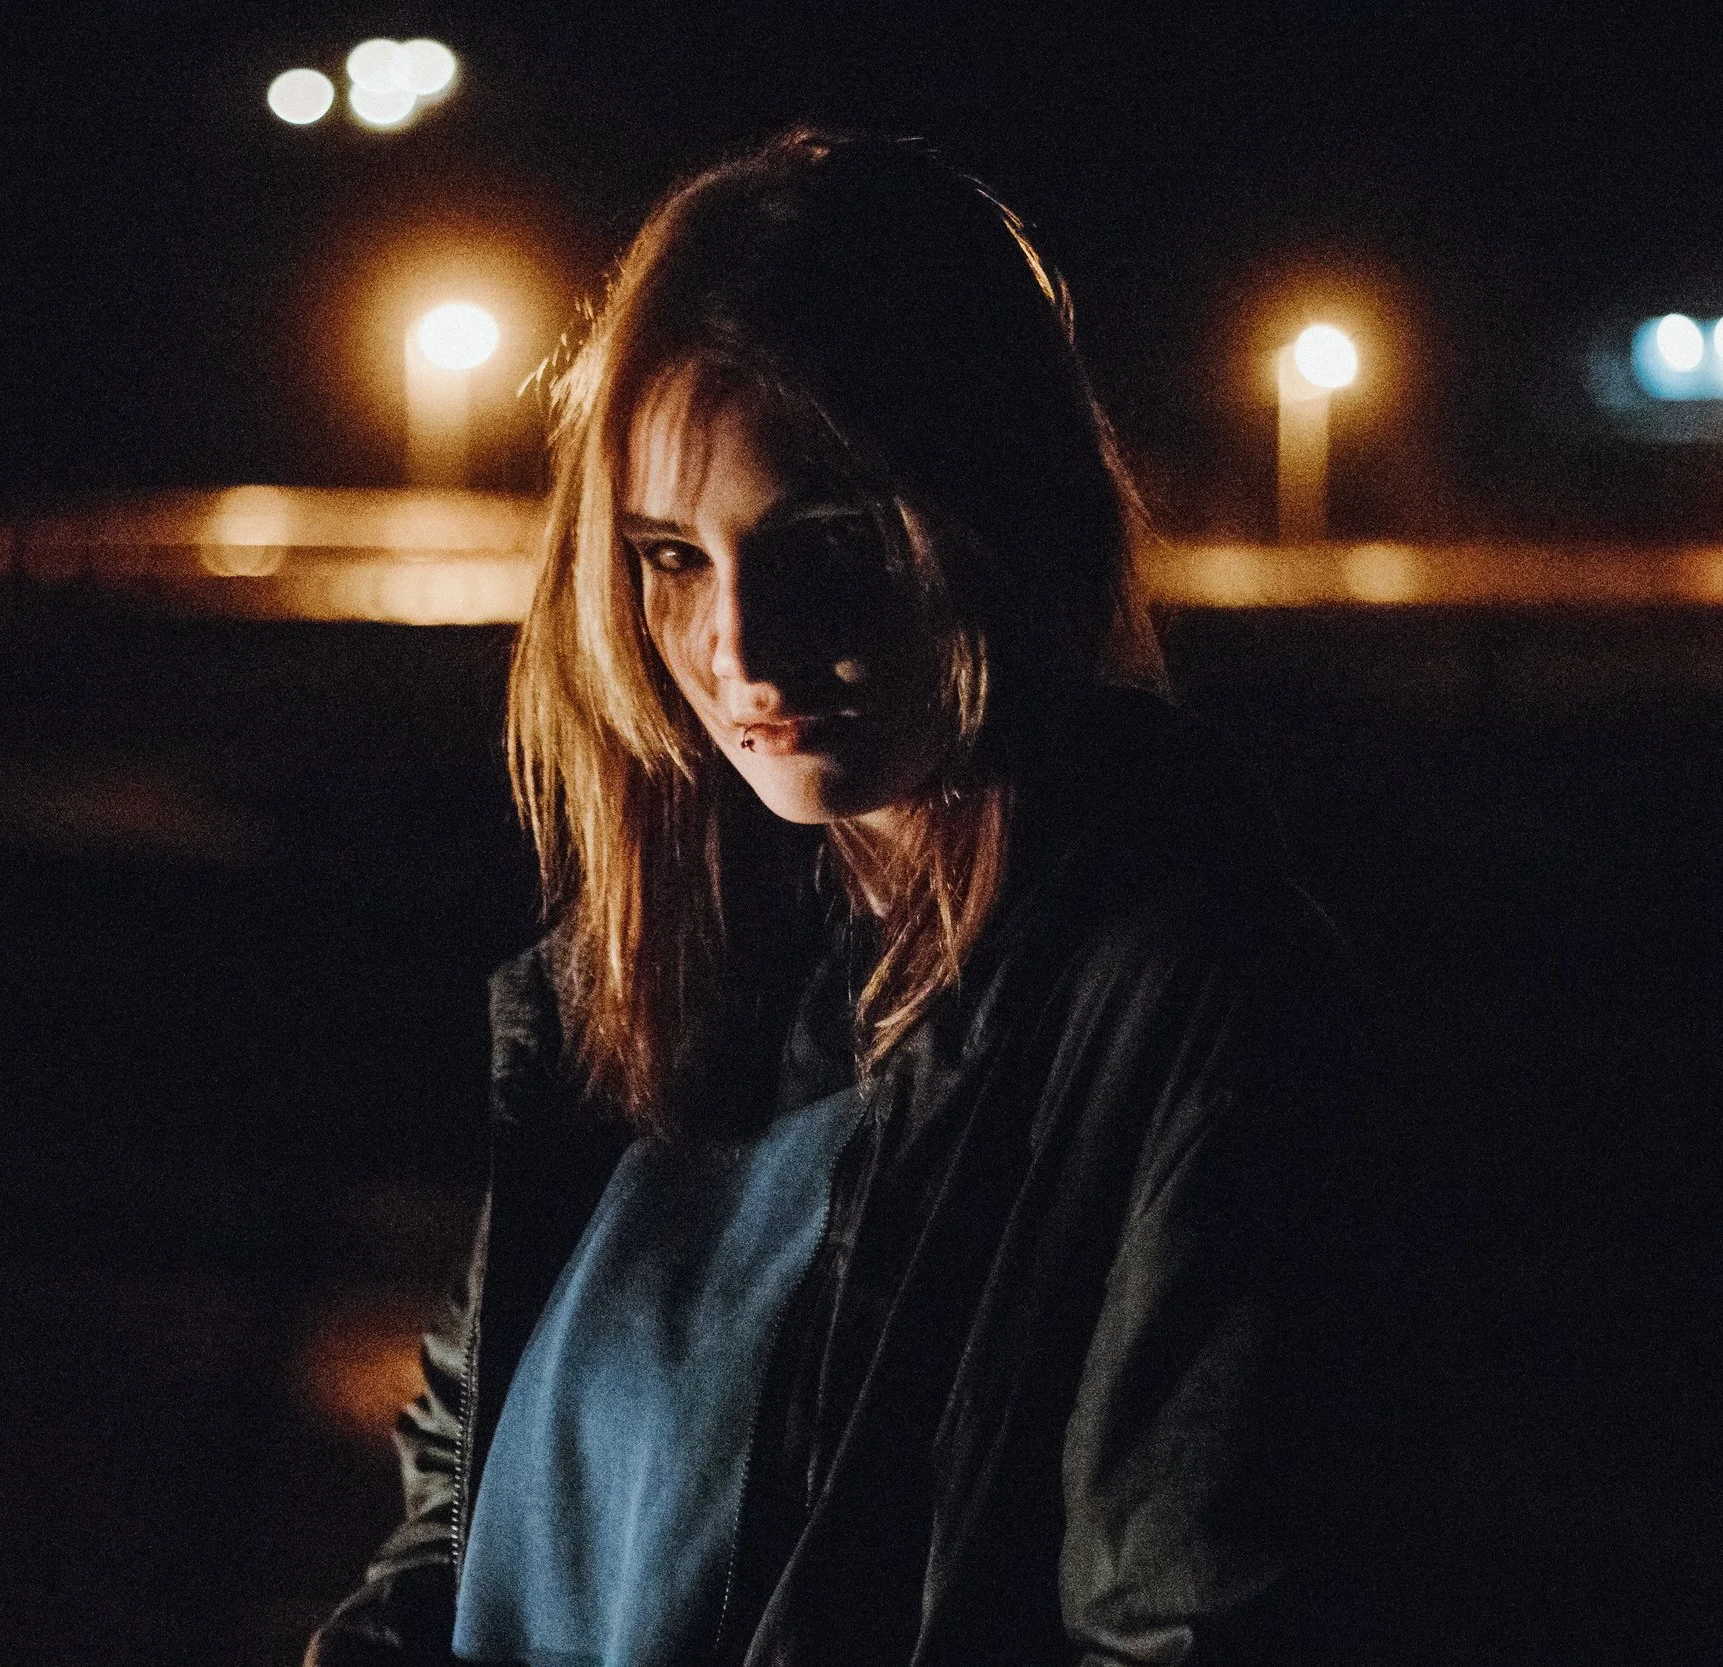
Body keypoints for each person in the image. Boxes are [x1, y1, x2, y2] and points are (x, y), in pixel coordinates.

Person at [309, 130, 1386, 1667]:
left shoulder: (1182, 988)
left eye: (828, 541)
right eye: (672, 557)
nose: (741, 646)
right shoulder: (646, 953)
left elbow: (1196, 1621)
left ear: (991, 519)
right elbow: (461, 1505)